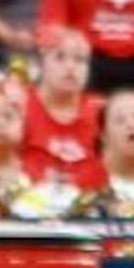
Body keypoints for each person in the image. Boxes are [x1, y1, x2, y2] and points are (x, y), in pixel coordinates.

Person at [21, 25, 103, 185]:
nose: (70, 67)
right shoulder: (21, 105)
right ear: (41, 63)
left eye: (80, 59)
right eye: (60, 57)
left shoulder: (100, 110)